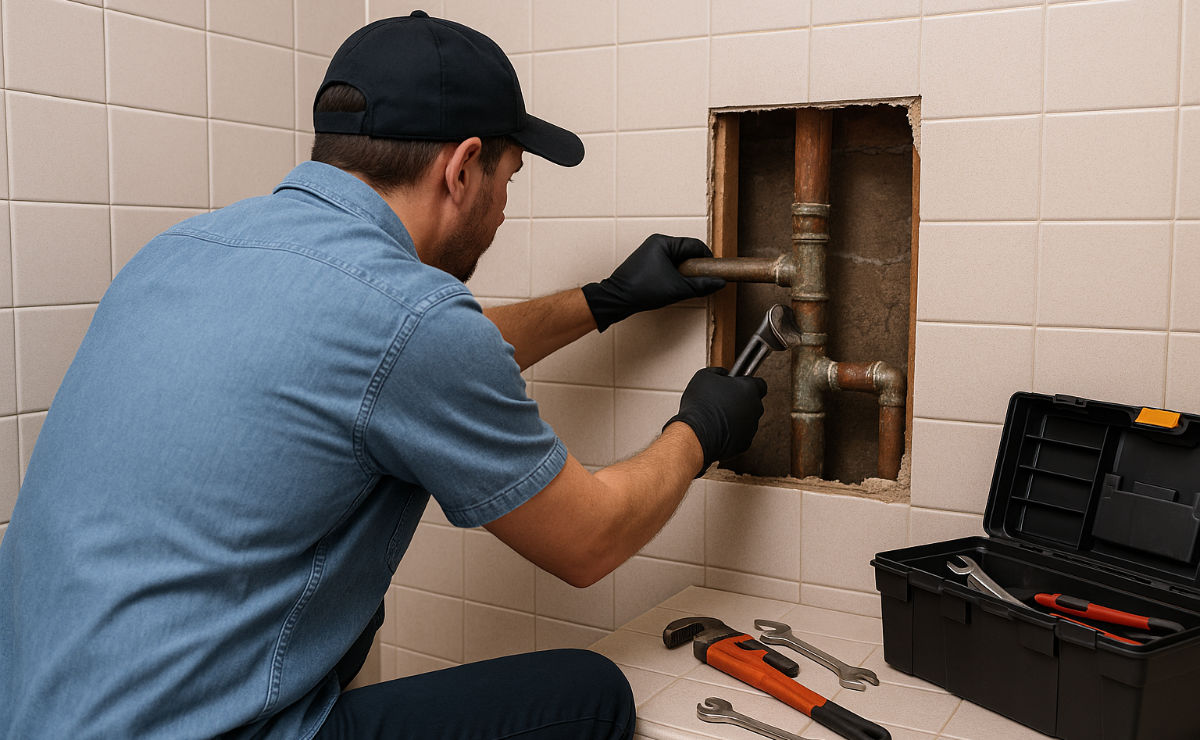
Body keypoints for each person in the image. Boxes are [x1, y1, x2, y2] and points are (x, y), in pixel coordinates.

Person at [0, 11, 767, 740]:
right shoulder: (413, 321)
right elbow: (590, 540)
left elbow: (394, 365)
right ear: (463, 168)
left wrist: (603, 302)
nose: (503, 208)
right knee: (590, 694)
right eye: (510, 177)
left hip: (39, 716)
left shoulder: (186, 249)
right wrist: (699, 430)